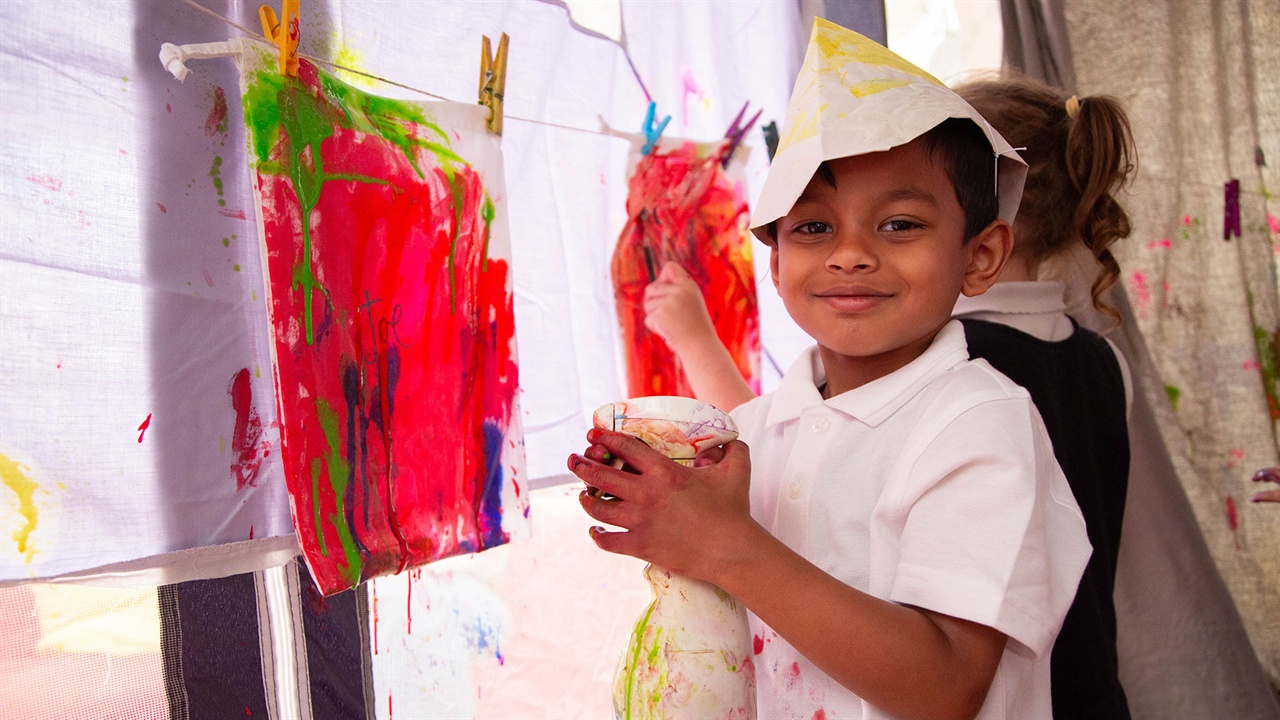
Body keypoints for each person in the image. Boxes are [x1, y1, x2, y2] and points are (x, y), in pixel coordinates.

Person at [569, 19, 1091, 720]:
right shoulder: (755, 431)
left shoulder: (976, 421)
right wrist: (664, 517)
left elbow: (945, 687)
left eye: (899, 223)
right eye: (813, 227)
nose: (849, 254)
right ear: (777, 263)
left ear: (981, 256)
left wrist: (725, 546)